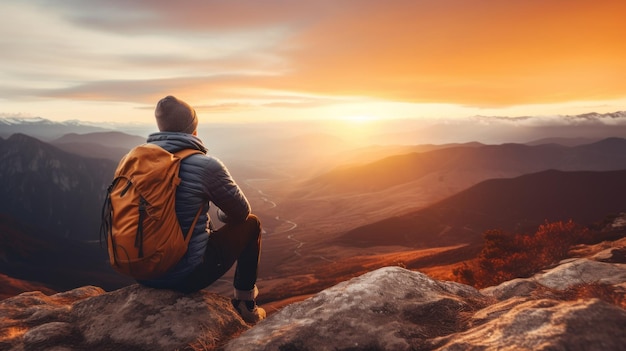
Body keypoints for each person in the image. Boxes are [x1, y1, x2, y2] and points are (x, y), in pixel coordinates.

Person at [137, 95, 265, 324]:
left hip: (143, 271)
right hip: (185, 276)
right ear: (193, 130)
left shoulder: (137, 161)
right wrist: (220, 214)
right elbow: (241, 213)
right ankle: (246, 304)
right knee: (252, 224)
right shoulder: (205, 165)